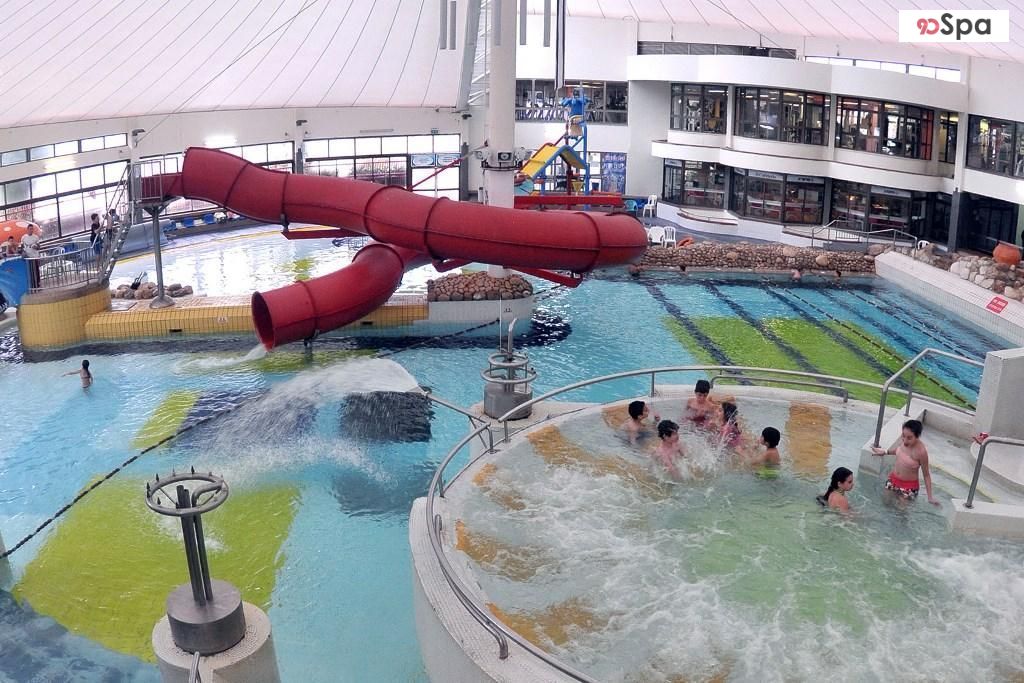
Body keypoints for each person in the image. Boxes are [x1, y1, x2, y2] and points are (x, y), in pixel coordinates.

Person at [871, 419, 940, 506]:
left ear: (917, 436)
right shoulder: (904, 440)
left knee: (901, 513)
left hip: (909, 487)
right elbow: (899, 451)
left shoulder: (921, 452)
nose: (905, 440)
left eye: (909, 438)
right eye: (903, 436)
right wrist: (885, 452)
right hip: (893, 480)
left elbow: (926, 475)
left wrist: (930, 497)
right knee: (885, 504)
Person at [20, 224, 42, 288]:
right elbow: (21, 247)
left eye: (32, 229)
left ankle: (38, 284)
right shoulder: (23, 237)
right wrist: (23, 252)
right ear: (27, 229)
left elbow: (39, 247)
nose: (31, 230)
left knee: (36, 270)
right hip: (28, 257)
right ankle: (32, 284)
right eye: (30, 229)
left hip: (35, 256)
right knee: (30, 271)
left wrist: (36, 247)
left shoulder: (36, 237)